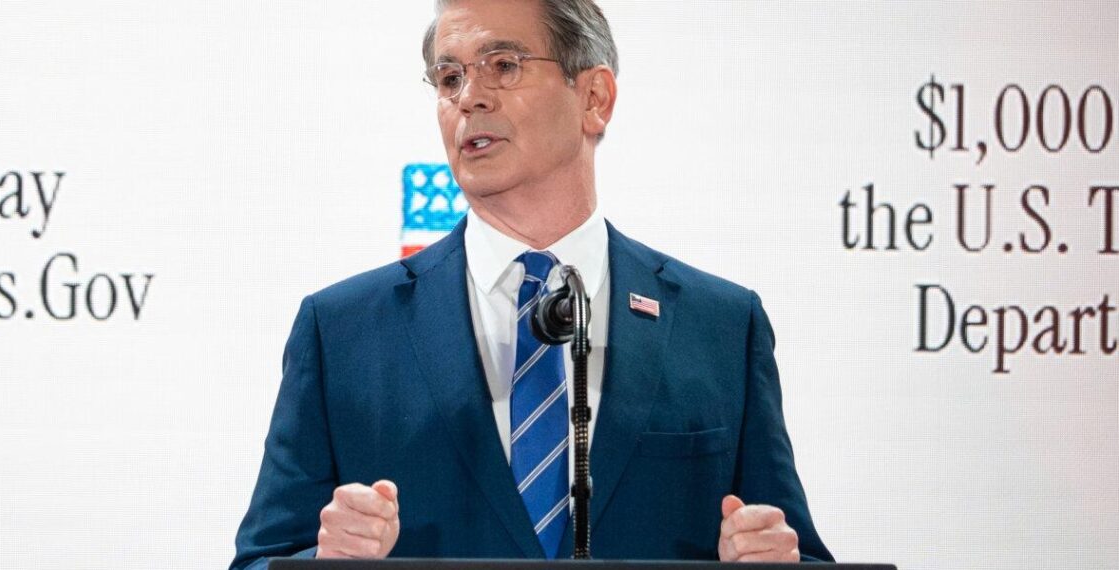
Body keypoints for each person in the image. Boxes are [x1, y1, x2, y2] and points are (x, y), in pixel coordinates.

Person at [231, 0, 834, 567]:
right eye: (448, 79)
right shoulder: (343, 332)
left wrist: (770, 560)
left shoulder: (722, 325)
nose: (469, 98)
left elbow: (792, 548)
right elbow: (261, 558)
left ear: (593, 97)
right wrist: (324, 563)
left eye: (503, 65)